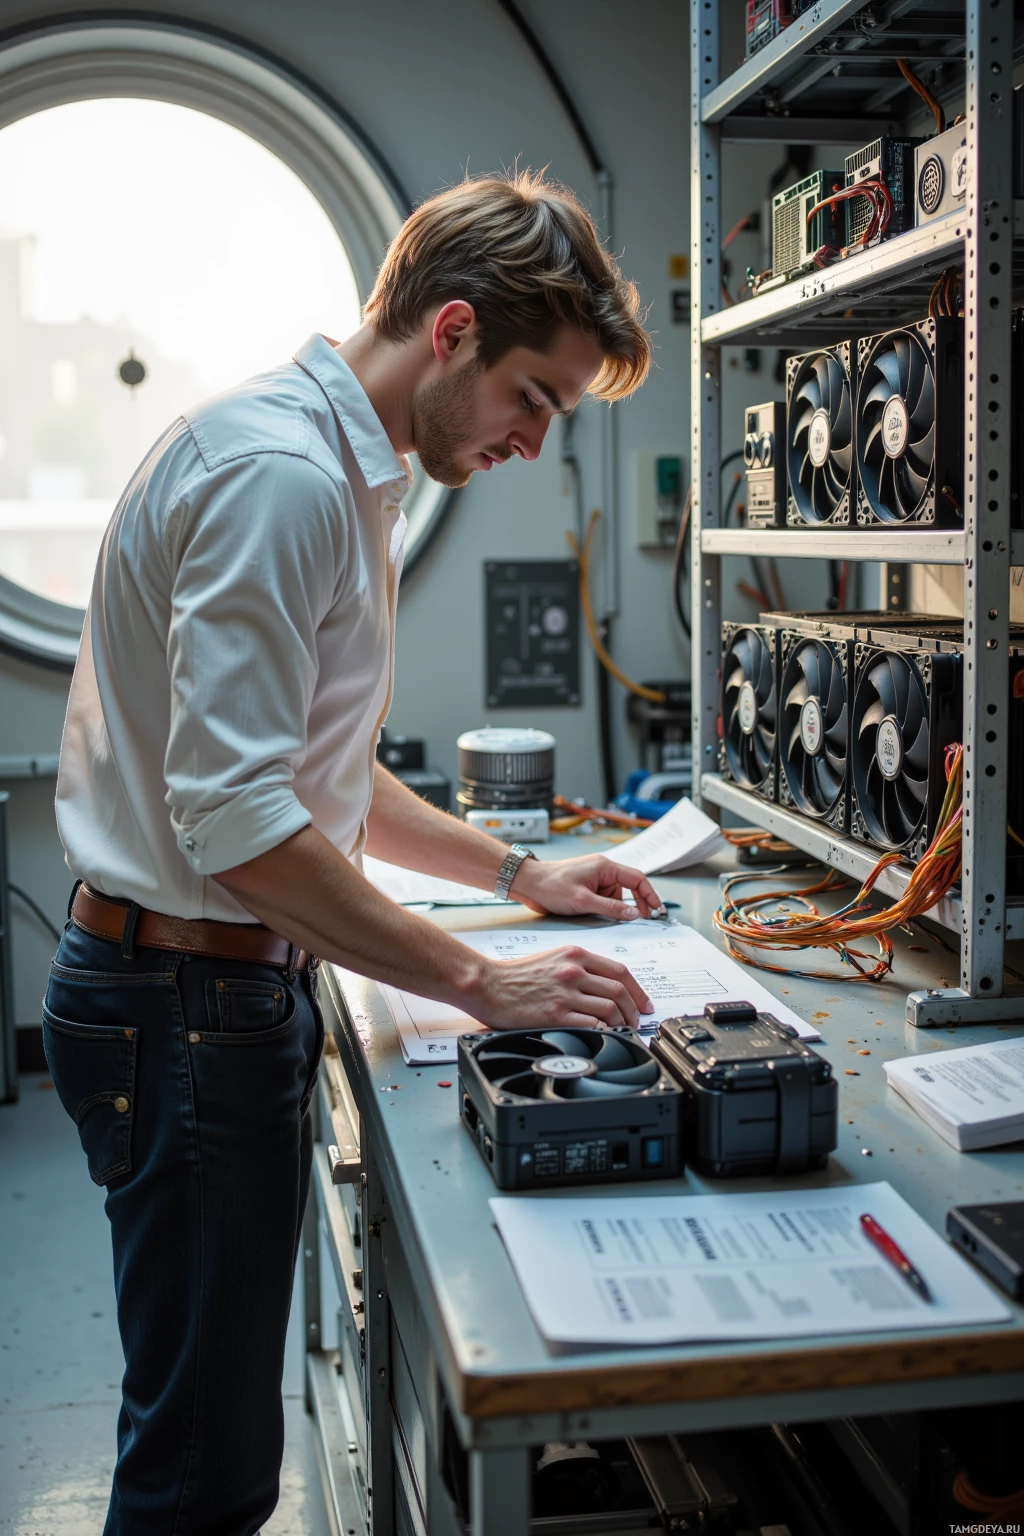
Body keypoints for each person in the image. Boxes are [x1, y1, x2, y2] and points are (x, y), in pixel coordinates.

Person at [44, 168, 659, 1533]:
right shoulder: (282, 480)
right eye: (533, 400)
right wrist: (479, 981)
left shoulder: (339, 470)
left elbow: (322, 778)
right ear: (451, 332)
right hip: (181, 1008)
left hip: (200, 995)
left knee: (210, 1452)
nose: (532, 443)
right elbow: (243, 824)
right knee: (200, 1478)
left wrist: (519, 876)